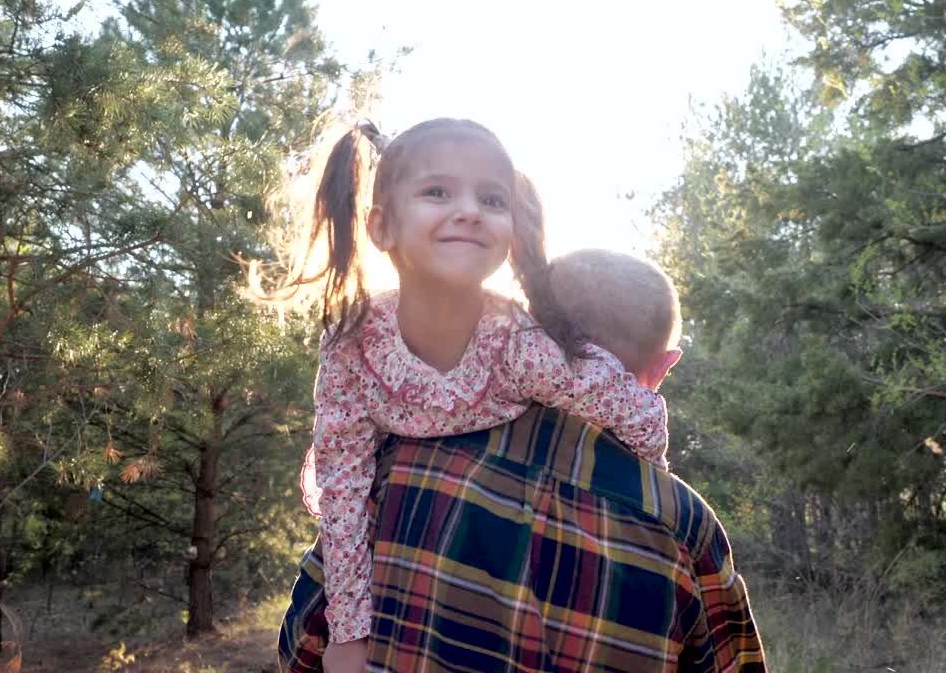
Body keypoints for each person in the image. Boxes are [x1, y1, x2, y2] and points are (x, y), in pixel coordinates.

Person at [251, 119, 673, 672]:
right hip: (405, 516)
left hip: (506, 528)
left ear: (512, 228)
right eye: (437, 192)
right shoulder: (352, 344)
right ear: (381, 228)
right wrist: (349, 634)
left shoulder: (522, 347)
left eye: (491, 198)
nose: (470, 210)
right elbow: (344, 487)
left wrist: (650, 507)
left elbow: (639, 413)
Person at [278, 249, 769, 672]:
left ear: (531, 332)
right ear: (663, 367)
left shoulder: (400, 463)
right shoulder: (683, 524)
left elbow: (303, 646)